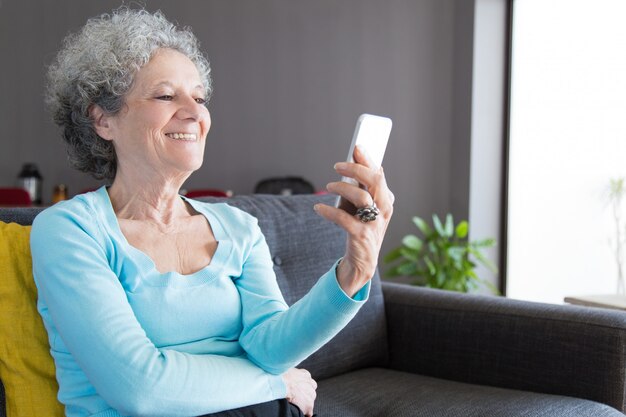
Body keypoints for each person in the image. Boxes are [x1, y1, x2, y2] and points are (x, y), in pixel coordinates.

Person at [31, 7, 394, 417]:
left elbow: (270, 348)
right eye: (166, 95)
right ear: (103, 120)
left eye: (199, 97)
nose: (195, 112)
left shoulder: (238, 227)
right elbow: (139, 388)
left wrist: (354, 273)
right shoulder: (69, 231)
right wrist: (275, 384)